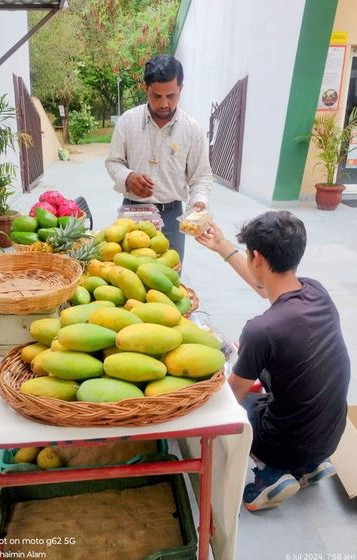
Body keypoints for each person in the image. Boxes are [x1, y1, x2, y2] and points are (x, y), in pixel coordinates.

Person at [196, 211, 350, 511]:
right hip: (333, 434)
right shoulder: (315, 290)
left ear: (256, 257)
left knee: (237, 411)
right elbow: (265, 287)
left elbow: (233, 398)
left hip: (288, 442)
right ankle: (311, 466)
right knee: (277, 387)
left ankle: (273, 474)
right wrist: (222, 246)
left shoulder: (261, 329)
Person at [105, 54, 212, 262]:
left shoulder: (192, 130)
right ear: (146, 90)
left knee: (169, 284)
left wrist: (199, 203)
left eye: (171, 96)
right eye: (156, 96)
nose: (164, 103)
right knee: (129, 278)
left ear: (181, 88)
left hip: (172, 217)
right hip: (133, 214)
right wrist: (128, 177)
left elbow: (201, 176)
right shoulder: (128, 122)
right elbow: (113, 162)